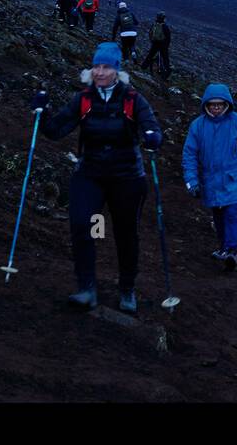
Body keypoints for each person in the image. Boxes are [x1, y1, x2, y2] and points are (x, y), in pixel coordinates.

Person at [30, 42, 162, 314]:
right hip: (90, 173)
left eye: (106, 67)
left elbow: (152, 128)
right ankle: (86, 288)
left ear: (117, 70)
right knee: (81, 224)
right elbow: (56, 131)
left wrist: (152, 138)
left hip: (127, 177)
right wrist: (41, 114)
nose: (100, 72)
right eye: (96, 67)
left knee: (126, 234)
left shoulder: (133, 99)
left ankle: (127, 289)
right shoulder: (84, 99)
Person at [182, 84, 237, 271]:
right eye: (212, 104)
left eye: (219, 104)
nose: (216, 107)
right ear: (206, 105)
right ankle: (223, 247)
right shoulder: (198, 126)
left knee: (231, 213)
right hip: (210, 181)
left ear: (226, 104)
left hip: (233, 179)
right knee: (218, 215)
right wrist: (192, 182)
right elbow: (189, 155)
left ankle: (232, 250)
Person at [142, 13, 172, 79]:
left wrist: (152, 41)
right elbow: (168, 37)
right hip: (163, 44)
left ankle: (143, 66)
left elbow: (150, 33)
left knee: (150, 55)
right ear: (163, 18)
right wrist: (166, 46)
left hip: (155, 43)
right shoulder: (165, 26)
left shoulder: (154, 25)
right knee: (165, 58)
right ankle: (167, 71)